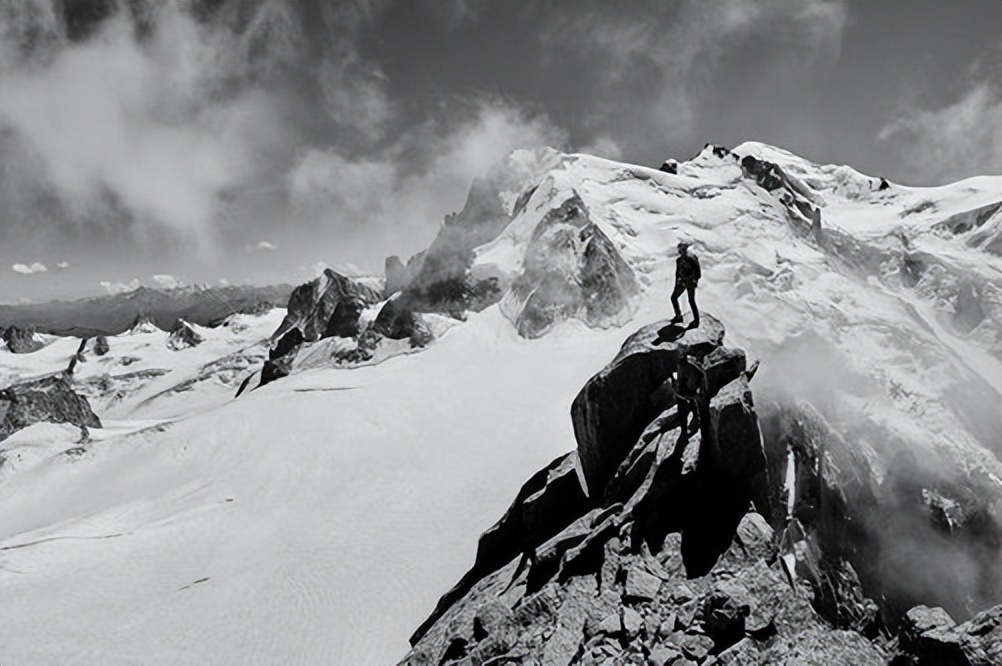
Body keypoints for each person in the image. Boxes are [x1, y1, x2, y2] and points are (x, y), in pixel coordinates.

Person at [670, 241, 701, 327]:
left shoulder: (688, 259)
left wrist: (692, 281)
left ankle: (683, 317)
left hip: (687, 282)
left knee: (689, 300)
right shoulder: (686, 259)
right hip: (686, 282)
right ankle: (692, 319)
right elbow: (678, 274)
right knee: (686, 300)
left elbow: (697, 272)